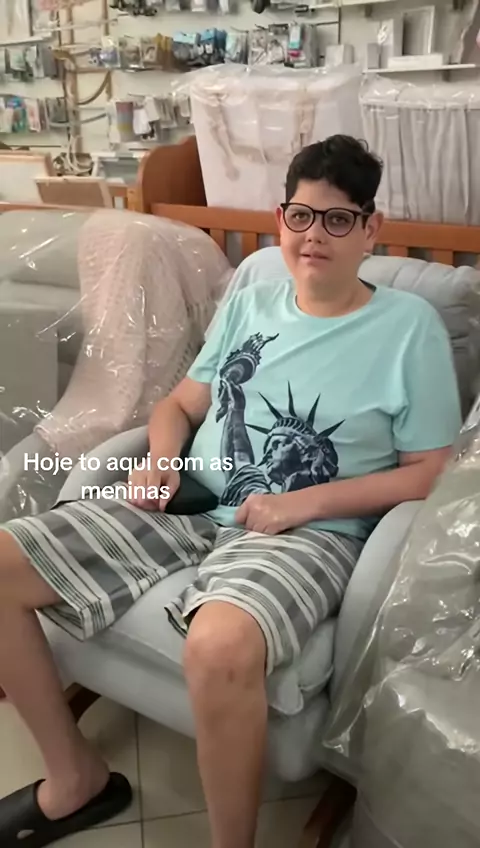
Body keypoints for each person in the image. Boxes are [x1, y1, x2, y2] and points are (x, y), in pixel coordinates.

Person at [0, 135, 462, 848]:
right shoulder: (250, 304)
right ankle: (75, 778)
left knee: (219, 645)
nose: (315, 235)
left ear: (370, 228)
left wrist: (302, 502)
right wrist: (160, 460)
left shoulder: (409, 329)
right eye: (302, 216)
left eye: (338, 219)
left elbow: (432, 469)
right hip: (191, 502)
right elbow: (179, 404)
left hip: (309, 533)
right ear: (282, 219)